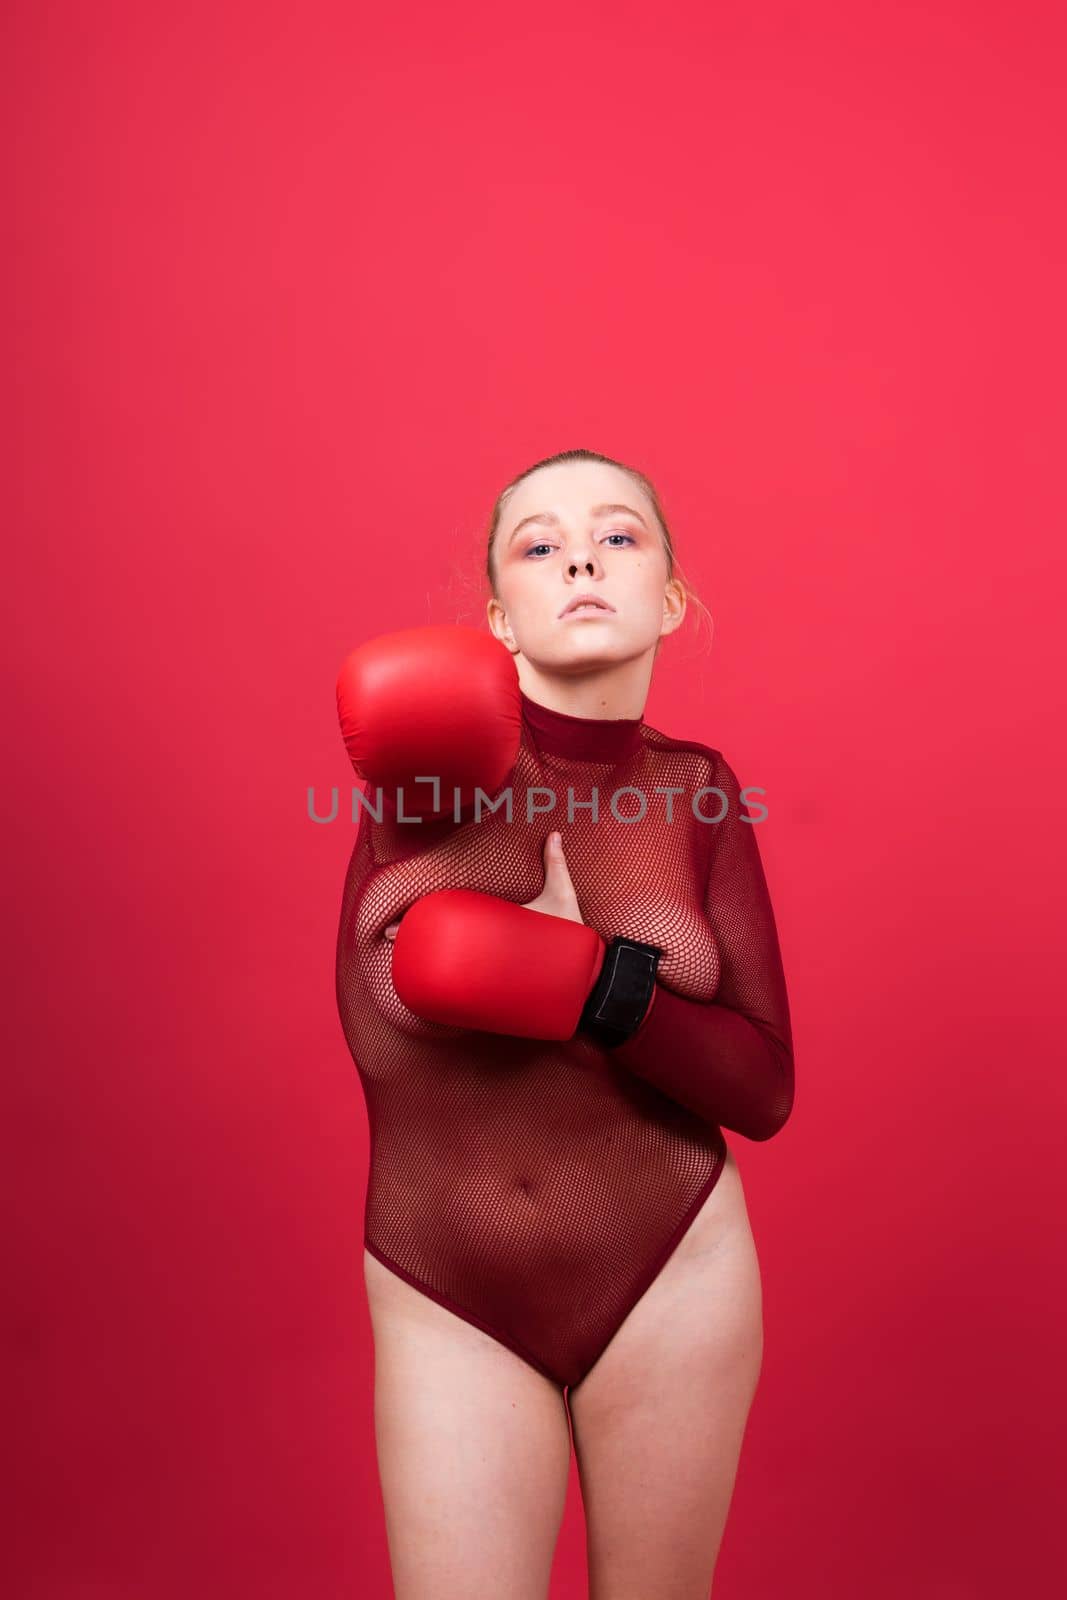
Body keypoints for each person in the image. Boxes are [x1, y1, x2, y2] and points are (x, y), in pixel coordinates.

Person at [334, 448, 795, 1600]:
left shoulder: (698, 788)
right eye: (537, 543)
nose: (580, 554)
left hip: (671, 1272)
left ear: (670, 599)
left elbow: (761, 1086)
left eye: (617, 535)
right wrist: (513, 959)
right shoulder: (433, 753)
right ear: (495, 616)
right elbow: (381, 1017)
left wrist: (592, 980)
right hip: (450, 1287)